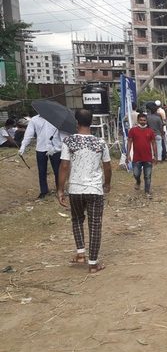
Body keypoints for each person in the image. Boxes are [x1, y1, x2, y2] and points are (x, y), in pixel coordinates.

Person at [57, 109, 112, 274]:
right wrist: (107, 183)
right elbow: (107, 166)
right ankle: (93, 263)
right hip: (95, 189)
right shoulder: (100, 142)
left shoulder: (69, 141)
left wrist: (60, 189)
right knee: (95, 225)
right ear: (92, 122)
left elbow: (64, 166)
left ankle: (81, 253)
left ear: (76, 122)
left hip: (75, 188)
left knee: (77, 220)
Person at [19, 114, 66, 199]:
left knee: (57, 170)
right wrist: (23, 146)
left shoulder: (56, 119)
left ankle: (59, 189)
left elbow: (62, 135)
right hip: (41, 147)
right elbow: (29, 133)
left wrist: (58, 147)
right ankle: (44, 191)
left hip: (55, 148)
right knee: (42, 171)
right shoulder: (35, 119)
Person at [127, 113, 157, 198]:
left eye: (144, 120)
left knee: (148, 176)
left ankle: (147, 191)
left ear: (146, 121)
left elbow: (154, 143)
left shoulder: (150, 131)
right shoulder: (133, 130)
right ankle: (138, 181)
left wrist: (155, 155)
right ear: (138, 120)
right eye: (141, 120)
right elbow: (129, 142)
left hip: (148, 157)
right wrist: (128, 154)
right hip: (137, 157)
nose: (143, 122)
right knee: (136, 174)